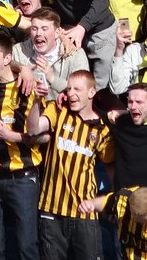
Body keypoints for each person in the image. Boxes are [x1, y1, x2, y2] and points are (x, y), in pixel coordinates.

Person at [24, 69, 114, 260]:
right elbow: (32, 129)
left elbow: (110, 165)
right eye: (69, 88)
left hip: (84, 212)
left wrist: (112, 199)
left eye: (77, 89)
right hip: (51, 211)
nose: (71, 93)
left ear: (91, 92)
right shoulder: (59, 110)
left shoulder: (101, 129)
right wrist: (36, 101)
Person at [0, 33, 43, 260]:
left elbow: (44, 136)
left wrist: (13, 137)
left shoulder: (27, 89)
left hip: (22, 178)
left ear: (7, 59)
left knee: (26, 247)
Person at [13, 7, 89, 100]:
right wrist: (21, 68)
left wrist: (51, 78)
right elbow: (4, 65)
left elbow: (82, 91)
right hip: (27, 107)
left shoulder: (74, 54)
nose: (38, 33)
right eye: (34, 29)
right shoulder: (19, 51)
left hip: (61, 108)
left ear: (57, 33)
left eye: (44, 29)